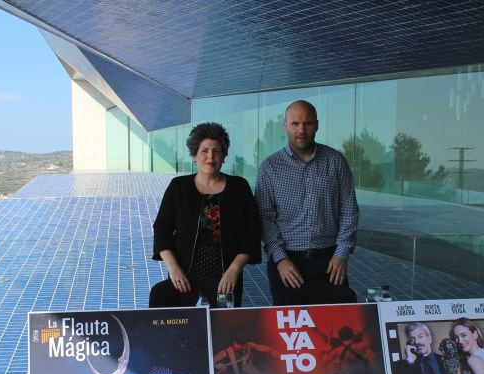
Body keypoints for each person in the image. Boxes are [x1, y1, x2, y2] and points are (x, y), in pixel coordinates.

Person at [255, 100, 359, 306]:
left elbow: (349, 210)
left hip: (330, 260)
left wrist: (342, 253)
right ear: (285, 126)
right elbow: (264, 217)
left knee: (336, 323)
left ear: (317, 125)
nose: (301, 129)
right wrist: (280, 259)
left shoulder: (335, 161)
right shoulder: (269, 168)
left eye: (308, 123)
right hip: (288, 261)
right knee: (292, 329)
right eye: (295, 124)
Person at [150, 122, 261, 308]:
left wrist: (234, 270)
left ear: (224, 155)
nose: (210, 156)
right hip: (184, 278)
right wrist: (174, 269)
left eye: (217, 151)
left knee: (224, 333)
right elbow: (161, 230)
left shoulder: (239, 187)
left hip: (226, 279)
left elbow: (252, 234)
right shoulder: (179, 187)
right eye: (204, 151)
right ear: (194, 155)